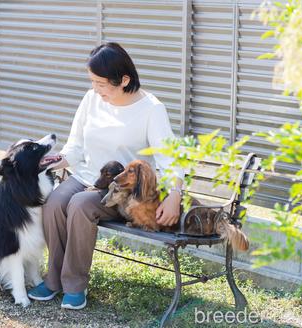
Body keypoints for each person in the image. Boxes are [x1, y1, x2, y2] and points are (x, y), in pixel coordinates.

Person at [27, 42, 185, 310]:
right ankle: (54, 279)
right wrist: (51, 161)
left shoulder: (151, 109)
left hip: (122, 190)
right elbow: (75, 146)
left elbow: (169, 158)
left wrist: (174, 195)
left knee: (79, 205)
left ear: (124, 80)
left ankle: (75, 285)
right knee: (54, 203)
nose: (96, 90)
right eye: (92, 82)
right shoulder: (92, 99)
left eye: (102, 84)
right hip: (88, 177)